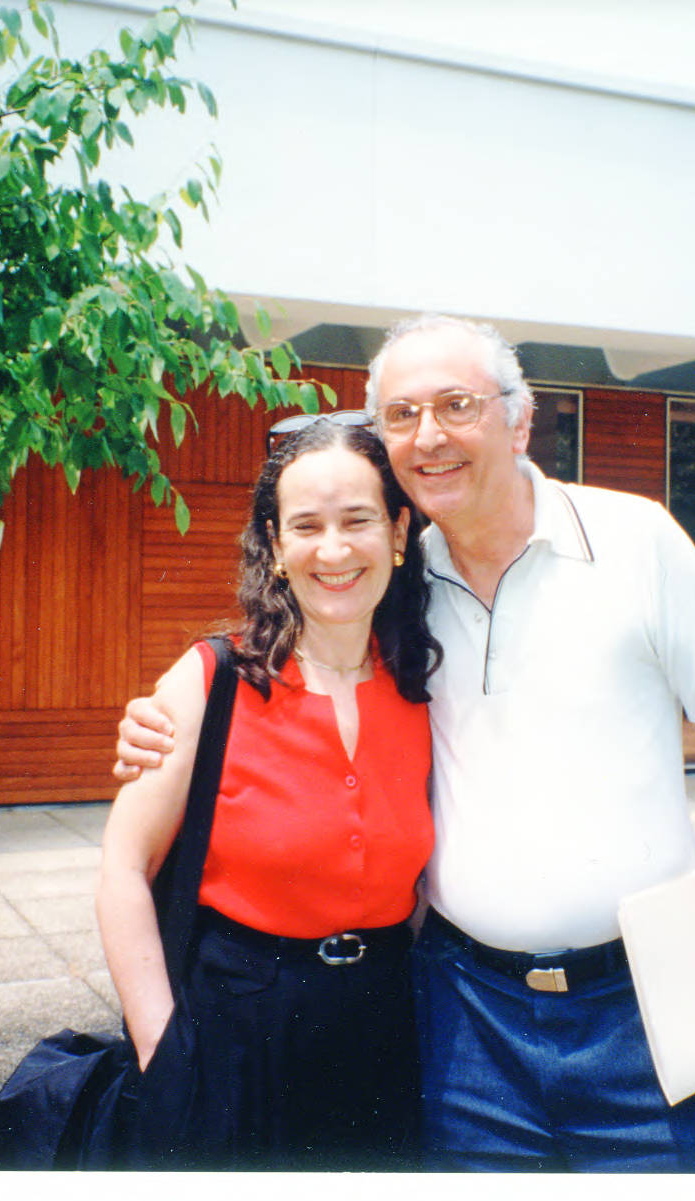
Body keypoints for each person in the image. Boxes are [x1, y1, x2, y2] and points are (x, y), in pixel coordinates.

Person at [115, 314, 695, 1172]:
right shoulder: (397, 586)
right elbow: (297, 667)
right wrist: (162, 718)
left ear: (520, 419)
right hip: (466, 1022)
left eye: (456, 405)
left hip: (650, 1004)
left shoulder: (639, 541)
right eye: (402, 415)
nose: (429, 435)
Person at [95, 412, 443, 1169]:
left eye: (358, 520)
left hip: (385, 1027)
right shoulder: (212, 679)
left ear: (398, 531)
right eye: (306, 526)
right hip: (235, 1031)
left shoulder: (423, 688)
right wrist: (162, 1050)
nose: (334, 549)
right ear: (276, 546)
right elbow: (123, 867)